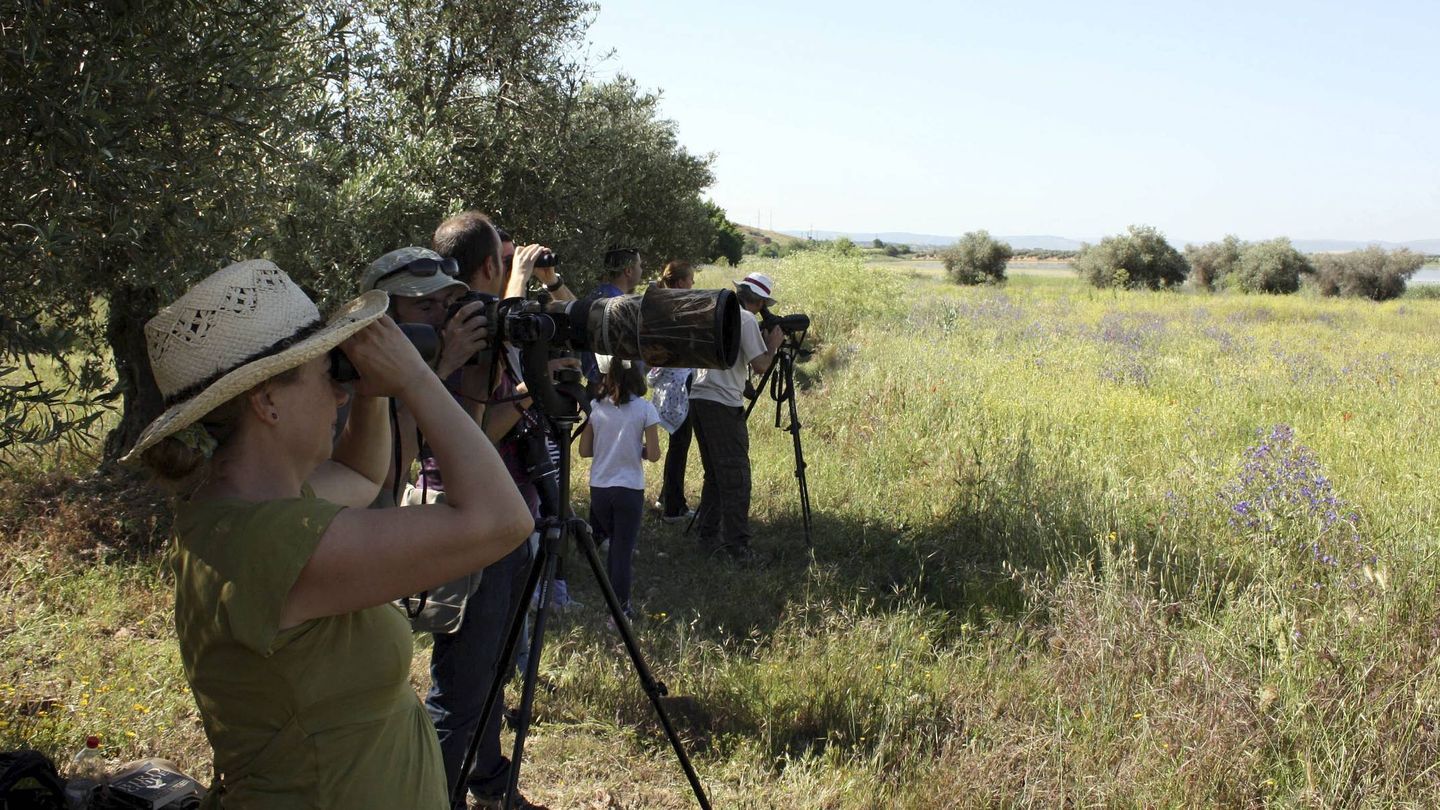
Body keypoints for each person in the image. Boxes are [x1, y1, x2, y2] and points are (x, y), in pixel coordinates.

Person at [125, 259, 533, 809]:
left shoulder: (233, 510)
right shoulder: (273, 542)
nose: (338, 395)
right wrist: (414, 379)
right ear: (267, 400)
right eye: (327, 375)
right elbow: (501, 521)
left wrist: (371, 392)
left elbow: (364, 477)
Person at [429, 211, 556, 810]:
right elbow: (471, 432)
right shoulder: (464, 329)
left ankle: (487, 776)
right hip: (474, 526)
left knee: (492, 672)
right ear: (489, 266)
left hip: (507, 517)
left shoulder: (480, 325)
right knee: (461, 685)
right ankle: (436, 795)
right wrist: (531, 395)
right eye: (506, 262)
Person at [688, 272, 783, 559]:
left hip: (699, 397)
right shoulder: (745, 319)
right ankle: (738, 547)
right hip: (722, 404)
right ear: (760, 302)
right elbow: (761, 365)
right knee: (736, 476)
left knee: (715, 474)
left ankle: (707, 536)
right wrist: (773, 344)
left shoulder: (717, 312)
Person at [579, 360, 661, 619]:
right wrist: (641, 451)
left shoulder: (596, 408)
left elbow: (583, 450)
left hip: (600, 488)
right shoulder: (645, 409)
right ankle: (620, 610)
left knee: (614, 545)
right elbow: (655, 454)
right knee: (622, 551)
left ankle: (612, 600)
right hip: (629, 488)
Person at [647, 261, 697, 523]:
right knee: (679, 445)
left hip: (669, 382)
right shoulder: (676, 309)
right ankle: (673, 507)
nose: (693, 285)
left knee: (677, 444)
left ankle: (667, 496)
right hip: (677, 384)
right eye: (690, 280)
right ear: (679, 283)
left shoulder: (660, 305)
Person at [580, 246, 643, 390]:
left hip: (597, 384)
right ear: (628, 271)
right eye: (640, 265)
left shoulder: (596, 295)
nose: (642, 270)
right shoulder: (619, 305)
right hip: (614, 389)